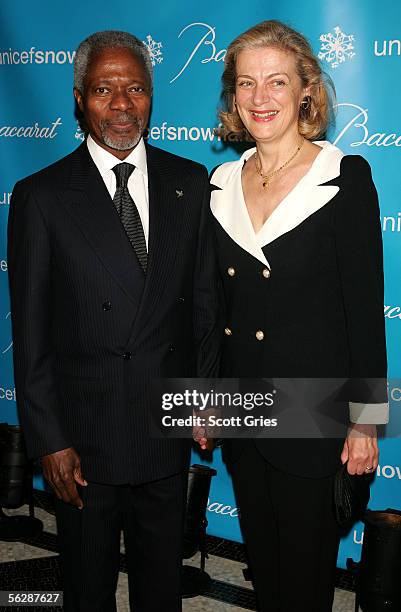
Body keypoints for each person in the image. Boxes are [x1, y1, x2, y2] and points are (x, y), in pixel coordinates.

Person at [7, 30, 219, 612]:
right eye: (104, 89)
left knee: (161, 591)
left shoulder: (189, 182)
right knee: (87, 588)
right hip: (85, 439)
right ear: (79, 97)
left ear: (152, 96)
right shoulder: (41, 196)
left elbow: (203, 304)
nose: (121, 105)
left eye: (135, 89)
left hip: (163, 430)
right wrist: (49, 439)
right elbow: (32, 335)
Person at [208, 20, 388, 612]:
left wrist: (365, 422)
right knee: (265, 564)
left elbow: (365, 310)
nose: (261, 98)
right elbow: (213, 309)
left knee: (306, 578)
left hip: (313, 411)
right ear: (233, 95)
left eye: (277, 82)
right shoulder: (222, 182)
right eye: (246, 83)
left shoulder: (343, 178)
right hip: (241, 406)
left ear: (305, 90)